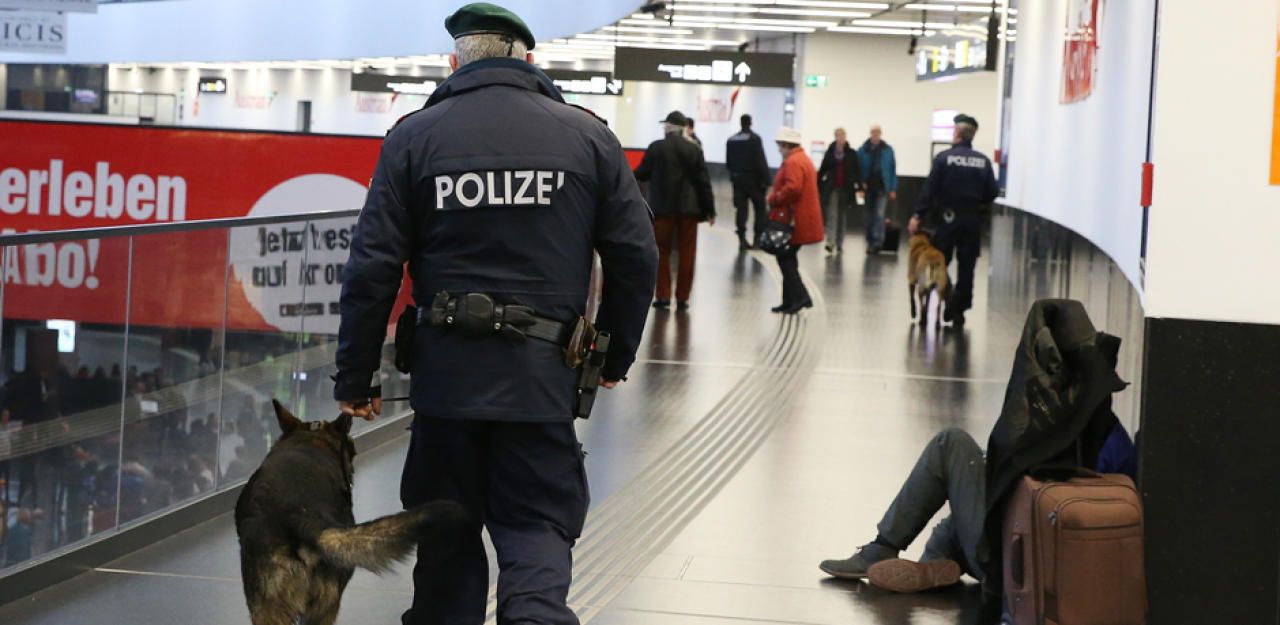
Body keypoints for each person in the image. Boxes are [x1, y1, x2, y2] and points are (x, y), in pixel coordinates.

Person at [332, 5, 659, 625]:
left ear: (454, 62)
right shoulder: (587, 136)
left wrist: (356, 377)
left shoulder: (413, 137)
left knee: (446, 526)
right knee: (537, 520)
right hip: (542, 378)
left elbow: (372, 266)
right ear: (527, 60)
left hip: (446, 380)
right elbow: (636, 255)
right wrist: (612, 355)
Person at [818, 423, 1137, 593]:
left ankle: (891, 550)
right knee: (973, 483)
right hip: (1025, 550)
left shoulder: (1083, 434)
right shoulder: (1104, 436)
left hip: (1016, 560)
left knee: (952, 444)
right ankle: (935, 565)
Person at [909, 114, 999, 327]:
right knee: (967, 268)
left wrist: (918, 215)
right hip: (972, 221)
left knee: (941, 262)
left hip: (947, 220)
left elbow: (929, 190)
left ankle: (945, 297)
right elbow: (992, 192)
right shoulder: (983, 161)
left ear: (957, 133)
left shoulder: (944, 159)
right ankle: (958, 309)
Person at [635, 110, 715, 311]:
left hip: (662, 209)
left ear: (670, 127)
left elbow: (642, 173)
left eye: (665, 125)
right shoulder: (694, 149)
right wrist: (709, 210)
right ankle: (682, 298)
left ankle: (662, 296)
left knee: (661, 251)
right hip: (689, 210)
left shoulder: (656, 147)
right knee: (687, 252)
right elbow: (703, 181)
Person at [766, 127, 823, 314]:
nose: (778, 149)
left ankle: (800, 298)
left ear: (785, 145)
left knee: (786, 259)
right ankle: (790, 300)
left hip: (794, 220)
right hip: (801, 218)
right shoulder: (803, 159)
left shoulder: (793, 162)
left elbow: (793, 189)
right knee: (787, 258)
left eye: (779, 146)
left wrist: (774, 198)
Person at [725, 114, 771, 251]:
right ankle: (757, 240)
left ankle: (742, 239)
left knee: (741, 210)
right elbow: (760, 160)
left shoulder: (731, 140)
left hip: (738, 181)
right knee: (760, 210)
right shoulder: (755, 139)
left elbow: (728, 162)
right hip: (754, 181)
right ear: (750, 123)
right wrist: (767, 180)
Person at [817, 127, 863, 255]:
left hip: (846, 189)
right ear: (835, 137)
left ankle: (839, 242)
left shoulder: (852, 154)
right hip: (832, 188)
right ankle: (830, 242)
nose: (840, 138)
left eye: (842, 135)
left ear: (845, 137)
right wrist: (818, 185)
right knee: (832, 215)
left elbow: (857, 171)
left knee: (842, 216)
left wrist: (859, 187)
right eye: (838, 135)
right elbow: (822, 169)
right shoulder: (830, 153)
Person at [858, 124, 898, 254]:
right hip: (868, 187)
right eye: (873, 132)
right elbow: (858, 169)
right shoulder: (863, 150)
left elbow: (892, 170)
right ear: (870, 134)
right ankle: (870, 240)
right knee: (869, 215)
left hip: (882, 187)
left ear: (880, 134)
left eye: (877, 132)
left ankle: (878, 241)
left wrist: (893, 188)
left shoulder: (888, 150)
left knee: (880, 215)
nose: (875, 135)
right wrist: (860, 186)